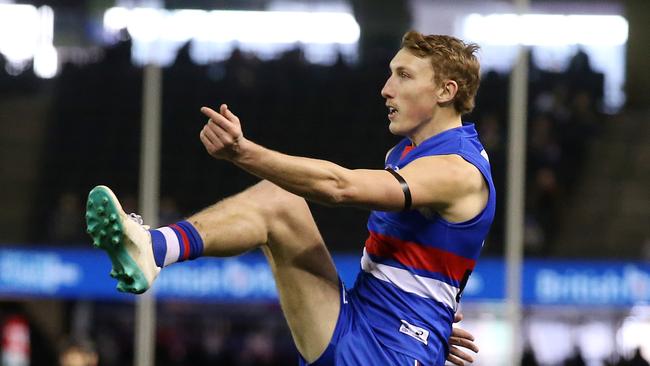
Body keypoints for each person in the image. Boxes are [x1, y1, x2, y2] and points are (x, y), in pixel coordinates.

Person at [86, 30, 493, 366]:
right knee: (278, 203)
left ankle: (154, 248)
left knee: (278, 203)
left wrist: (243, 152)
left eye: (403, 76)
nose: (386, 89)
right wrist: (433, 324)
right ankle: (153, 247)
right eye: (390, 74)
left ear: (446, 90)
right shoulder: (406, 153)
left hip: (387, 352)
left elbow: (341, 187)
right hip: (367, 324)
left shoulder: (457, 169)